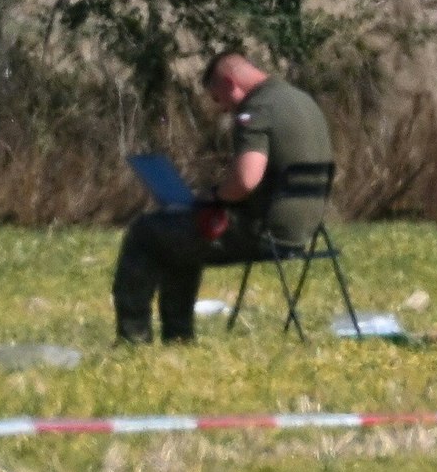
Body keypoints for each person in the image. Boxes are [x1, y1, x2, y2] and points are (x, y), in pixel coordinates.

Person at [112, 52, 336, 344]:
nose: (223, 109)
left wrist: (213, 195)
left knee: (146, 231)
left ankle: (134, 338)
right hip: (305, 229)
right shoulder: (301, 101)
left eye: (219, 99)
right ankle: (177, 338)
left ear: (231, 84)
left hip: (263, 231)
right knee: (179, 237)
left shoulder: (257, 110)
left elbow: (245, 180)